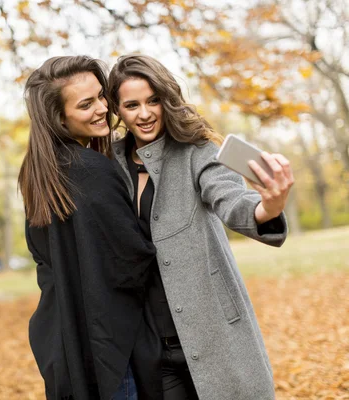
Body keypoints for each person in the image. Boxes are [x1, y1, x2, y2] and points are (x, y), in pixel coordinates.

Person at [107, 54, 294, 400]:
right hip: (150, 348)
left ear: (167, 98)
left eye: (153, 100)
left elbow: (230, 198)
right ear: (118, 110)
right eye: (132, 105)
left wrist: (266, 207)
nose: (145, 113)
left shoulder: (198, 151)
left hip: (215, 336)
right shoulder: (110, 163)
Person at [19, 55, 163, 400]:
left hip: (65, 343)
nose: (102, 108)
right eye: (86, 104)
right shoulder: (91, 169)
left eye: (101, 96)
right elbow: (131, 260)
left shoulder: (39, 174)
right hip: (110, 350)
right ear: (59, 117)